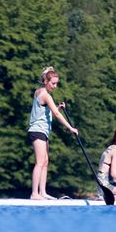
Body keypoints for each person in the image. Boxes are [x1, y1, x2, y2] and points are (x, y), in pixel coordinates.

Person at [28, 66, 78, 200]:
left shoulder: (40, 92)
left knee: (45, 162)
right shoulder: (45, 94)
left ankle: (42, 192)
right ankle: (34, 194)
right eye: (53, 83)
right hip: (37, 131)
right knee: (39, 162)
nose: (55, 86)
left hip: (43, 131)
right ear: (45, 81)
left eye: (56, 83)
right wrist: (70, 128)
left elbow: (49, 112)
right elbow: (55, 114)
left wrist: (59, 108)